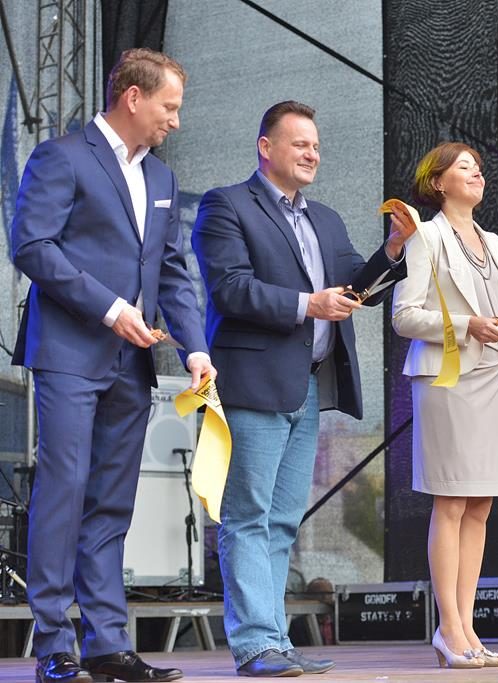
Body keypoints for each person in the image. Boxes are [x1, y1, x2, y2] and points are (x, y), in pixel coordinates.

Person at [11, 48, 213, 683]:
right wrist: (110, 308)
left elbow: (171, 271)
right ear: (133, 97)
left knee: (111, 502)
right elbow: (31, 246)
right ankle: (54, 644)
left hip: (134, 363)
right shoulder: (63, 156)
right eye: (169, 106)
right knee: (64, 489)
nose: (175, 120)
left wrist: (195, 347)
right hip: (70, 353)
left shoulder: (162, 178)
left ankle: (105, 644)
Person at [191, 100, 413, 677]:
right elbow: (230, 288)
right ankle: (255, 645)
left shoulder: (327, 219)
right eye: (300, 144)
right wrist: (306, 304)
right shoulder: (226, 204)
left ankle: (276, 642)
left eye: (316, 145)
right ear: (266, 147)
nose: (313, 154)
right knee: (248, 515)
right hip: (252, 383)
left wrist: (392, 249)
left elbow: (358, 288)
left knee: (284, 520)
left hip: (307, 386)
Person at [392, 142, 498, 669]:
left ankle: (467, 626)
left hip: (495, 378)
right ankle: (449, 627)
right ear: (438, 182)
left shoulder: (490, 240)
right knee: (450, 502)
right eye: (464, 168)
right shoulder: (425, 235)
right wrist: (467, 325)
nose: (477, 175)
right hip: (448, 380)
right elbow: (405, 316)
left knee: (481, 506)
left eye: (479, 169)